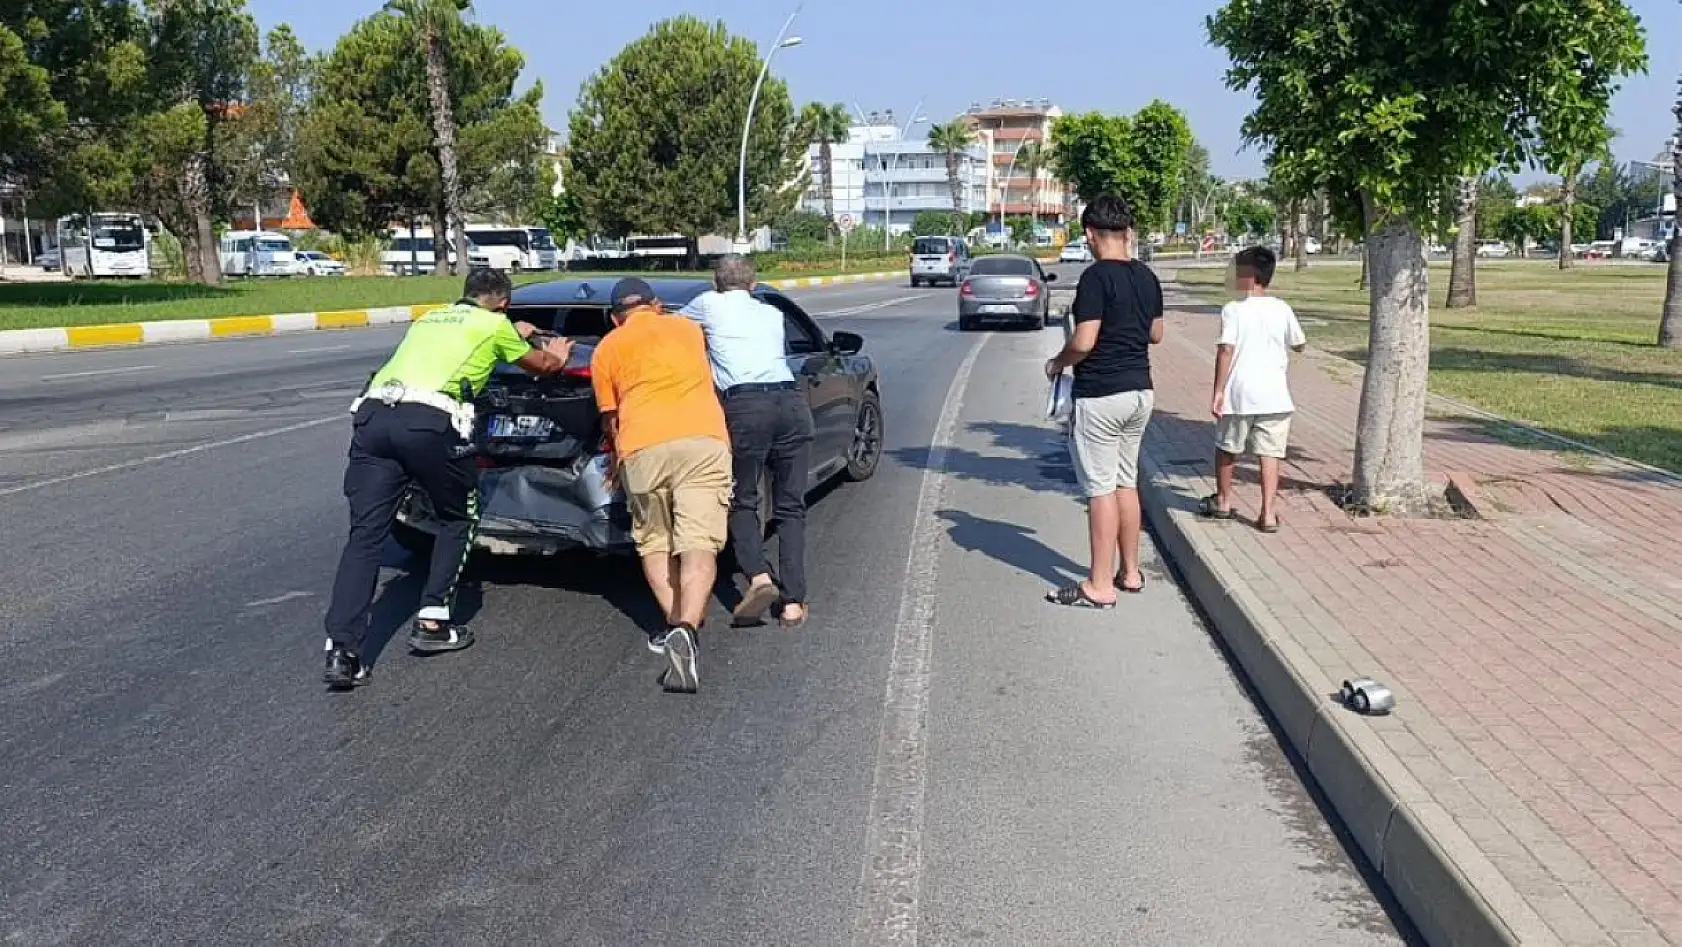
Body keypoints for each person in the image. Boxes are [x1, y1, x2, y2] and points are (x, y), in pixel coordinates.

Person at [322, 268, 574, 689]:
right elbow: (544, 366)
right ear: (505, 303)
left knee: (366, 535)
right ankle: (435, 620)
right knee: (457, 516)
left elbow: (460, 338)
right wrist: (559, 350)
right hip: (429, 425)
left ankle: (342, 652)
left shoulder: (431, 317)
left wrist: (512, 329)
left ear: (466, 295)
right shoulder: (496, 326)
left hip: (373, 417)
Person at [591, 278, 733, 694]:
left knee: (654, 542)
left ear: (615, 318)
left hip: (643, 448)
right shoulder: (689, 330)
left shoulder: (606, 349)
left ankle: (673, 625)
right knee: (698, 543)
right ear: (656, 306)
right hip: (703, 442)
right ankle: (687, 628)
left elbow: (610, 417)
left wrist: (617, 461)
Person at [1043, 195, 1165, 610]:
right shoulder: (1147, 277)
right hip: (1140, 392)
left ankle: (1099, 583)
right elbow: (1157, 335)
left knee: (1099, 489)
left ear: (1091, 235)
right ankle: (1130, 572)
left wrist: (1058, 363)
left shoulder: (1095, 279)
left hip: (1101, 394)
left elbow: (1084, 341)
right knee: (1125, 482)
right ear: (1126, 233)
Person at [680, 254, 814, 629]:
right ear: (754, 286)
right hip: (791, 402)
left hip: (747, 407)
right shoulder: (771, 314)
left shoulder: (707, 304)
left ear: (715, 283)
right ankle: (793, 602)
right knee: (791, 507)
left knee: (742, 499)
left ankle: (757, 575)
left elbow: (671, 332)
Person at [1204, 246, 1306, 533]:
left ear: (1248, 275)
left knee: (1227, 449)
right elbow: (1299, 342)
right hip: (1275, 395)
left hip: (1239, 394)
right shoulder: (1282, 308)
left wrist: (1218, 390)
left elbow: (1226, 350)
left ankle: (1223, 502)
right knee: (1270, 454)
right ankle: (1268, 513)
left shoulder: (1233, 310)